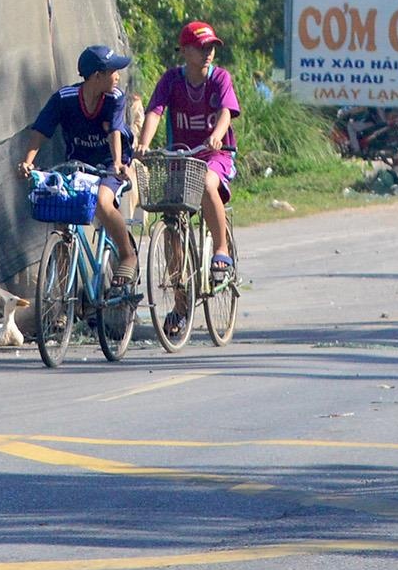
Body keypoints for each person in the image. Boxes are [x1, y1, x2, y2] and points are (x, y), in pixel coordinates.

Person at [138, 20, 240, 342]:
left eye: (211, 47)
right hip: (180, 158)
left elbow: (226, 112)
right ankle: (181, 306)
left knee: (210, 184)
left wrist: (215, 136)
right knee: (171, 223)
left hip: (214, 155)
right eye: (200, 47)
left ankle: (220, 250)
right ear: (184, 51)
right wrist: (143, 143)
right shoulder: (171, 80)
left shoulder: (220, 78)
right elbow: (155, 111)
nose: (207, 53)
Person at [18, 45, 139, 286]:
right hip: (77, 165)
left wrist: (116, 163)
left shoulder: (114, 98)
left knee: (103, 203)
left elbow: (115, 130)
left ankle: (128, 255)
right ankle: (61, 300)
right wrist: (27, 162)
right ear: (97, 76)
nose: (118, 76)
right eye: (114, 70)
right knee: (62, 219)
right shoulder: (64, 99)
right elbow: (41, 130)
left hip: (109, 163)